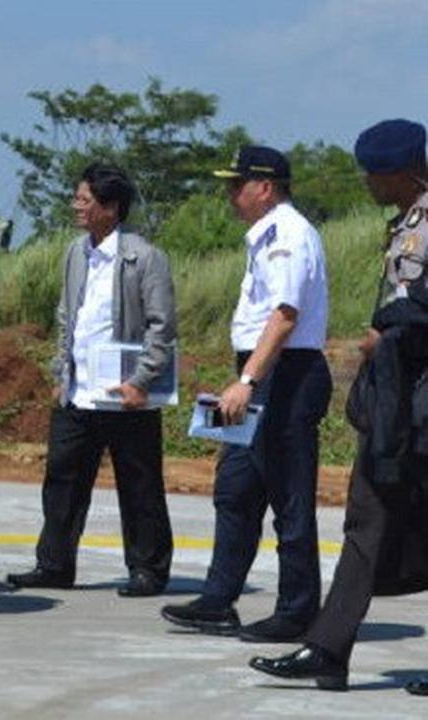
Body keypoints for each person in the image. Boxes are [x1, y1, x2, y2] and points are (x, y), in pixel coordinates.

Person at [250, 119, 428, 693]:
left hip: (421, 392)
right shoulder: (406, 222)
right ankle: (328, 649)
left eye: (375, 173)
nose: (368, 183)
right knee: (367, 519)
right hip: (396, 397)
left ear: (403, 171)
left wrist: (392, 331)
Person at [162, 145, 332, 641]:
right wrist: (243, 376)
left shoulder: (288, 234)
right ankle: (218, 599)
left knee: (289, 497)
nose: (230, 194)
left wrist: (248, 381)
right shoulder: (262, 237)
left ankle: (297, 610)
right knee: (234, 488)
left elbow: (285, 316)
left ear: (265, 187)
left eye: (237, 185)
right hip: (257, 371)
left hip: (284, 375)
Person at [6, 163, 176, 598]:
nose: (76, 207)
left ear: (111, 207)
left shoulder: (145, 257)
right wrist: (60, 371)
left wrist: (142, 380)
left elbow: (162, 326)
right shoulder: (75, 253)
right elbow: (67, 315)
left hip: (128, 395)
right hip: (78, 392)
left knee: (138, 484)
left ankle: (148, 569)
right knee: (62, 481)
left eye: (85, 200)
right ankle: (54, 564)